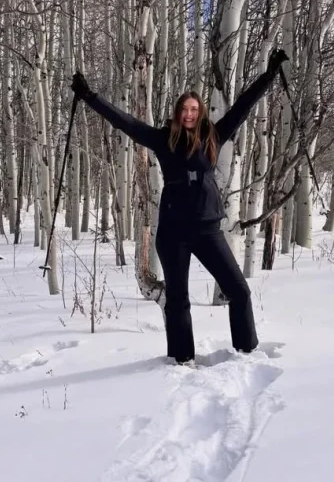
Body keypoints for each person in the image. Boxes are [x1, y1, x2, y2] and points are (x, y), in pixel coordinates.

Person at [71, 48, 289, 364]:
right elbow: (125, 122)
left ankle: (246, 352)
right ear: (177, 112)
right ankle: (181, 360)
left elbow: (243, 107)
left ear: (200, 113)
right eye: (184, 109)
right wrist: (90, 96)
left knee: (238, 290)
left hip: (208, 231)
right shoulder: (163, 139)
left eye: (194, 109)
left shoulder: (213, 136)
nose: (189, 114)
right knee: (177, 300)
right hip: (173, 233)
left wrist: (268, 76)